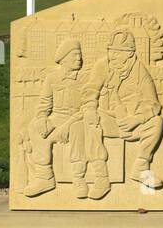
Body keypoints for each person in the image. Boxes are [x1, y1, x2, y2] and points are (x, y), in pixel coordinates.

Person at [83, 29, 163, 191]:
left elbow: (153, 104)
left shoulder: (139, 71)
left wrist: (137, 119)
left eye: (117, 52)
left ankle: (141, 169)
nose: (112, 56)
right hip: (107, 119)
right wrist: (91, 109)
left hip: (132, 123)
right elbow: (90, 91)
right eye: (110, 51)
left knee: (157, 122)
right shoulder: (102, 65)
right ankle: (101, 176)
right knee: (90, 119)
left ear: (129, 54)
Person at [21, 37, 103, 198]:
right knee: (34, 127)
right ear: (64, 59)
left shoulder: (86, 78)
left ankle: (79, 179)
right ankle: (45, 177)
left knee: (77, 129)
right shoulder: (52, 78)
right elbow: (45, 103)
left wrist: (69, 123)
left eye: (80, 55)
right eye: (75, 55)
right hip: (56, 118)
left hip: (77, 118)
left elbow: (88, 105)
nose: (79, 58)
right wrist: (42, 118)